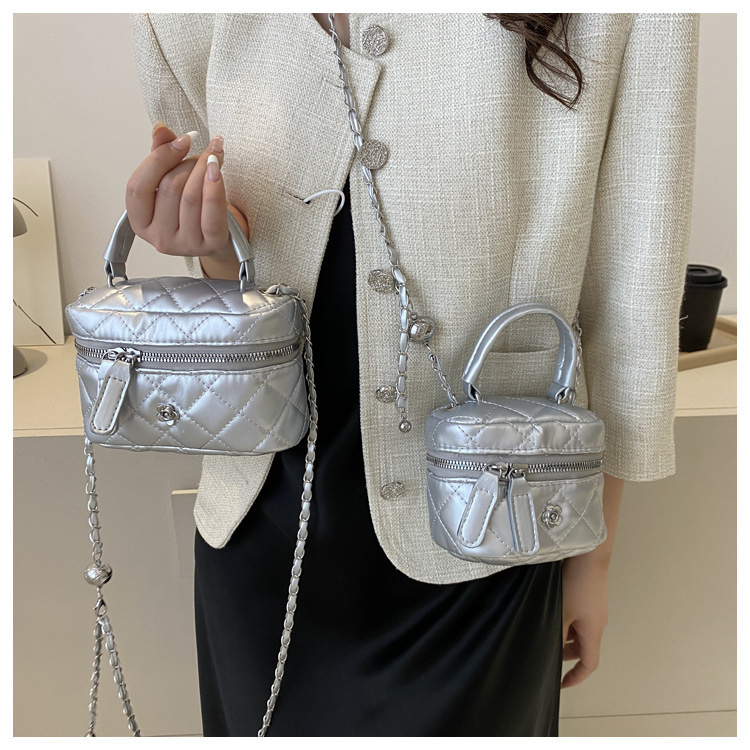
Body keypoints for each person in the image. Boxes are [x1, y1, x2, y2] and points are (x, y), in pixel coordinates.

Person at [126, 13, 699, 736]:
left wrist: (593, 558)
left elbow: (636, 280)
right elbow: (231, 275)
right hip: (263, 528)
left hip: (492, 526)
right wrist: (209, 247)